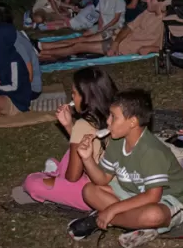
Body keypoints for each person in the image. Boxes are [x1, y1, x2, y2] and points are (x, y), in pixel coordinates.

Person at [67, 89, 183, 248]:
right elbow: (102, 179)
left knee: (154, 215)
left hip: (168, 200)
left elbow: (153, 197)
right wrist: (87, 158)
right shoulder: (118, 142)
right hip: (133, 194)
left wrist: (111, 210)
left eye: (114, 117)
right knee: (89, 191)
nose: (108, 121)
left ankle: (102, 219)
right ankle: (136, 224)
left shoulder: (151, 151)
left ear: (132, 122)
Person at [21, 68, 117, 210]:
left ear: (86, 98)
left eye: (74, 93)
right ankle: (55, 172)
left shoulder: (83, 125)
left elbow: (72, 177)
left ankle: (53, 176)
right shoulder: (117, 115)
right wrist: (68, 126)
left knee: (31, 183)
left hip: (97, 193)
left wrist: (74, 130)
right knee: (73, 150)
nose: (72, 98)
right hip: (119, 183)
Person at [37, 0, 167, 61]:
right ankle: (41, 46)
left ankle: (40, 54)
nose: (147, 0)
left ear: (161, 3)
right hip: (116, 38)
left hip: (123, 47)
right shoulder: (147, 13)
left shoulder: (164, 22)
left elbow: (165, 47)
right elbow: (128, 27)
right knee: (79, 40)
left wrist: (152, 49)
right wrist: (116, 41)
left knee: (78, 46)